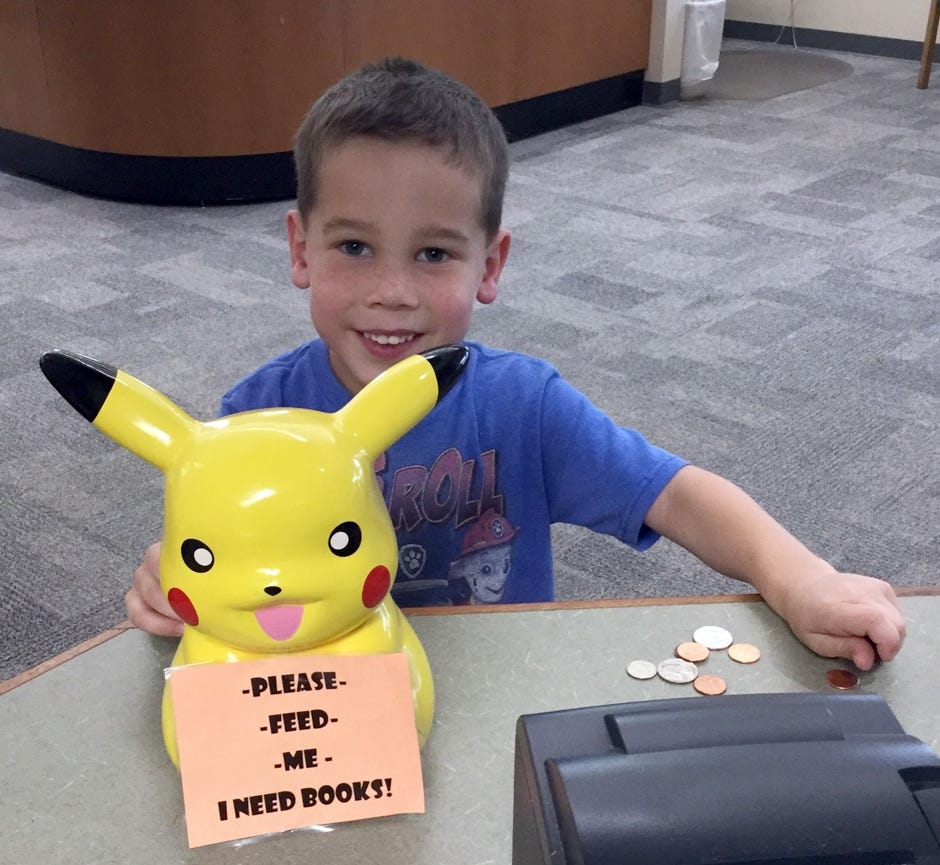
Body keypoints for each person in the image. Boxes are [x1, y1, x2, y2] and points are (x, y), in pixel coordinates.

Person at [126, 57, 904, 672]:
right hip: (332, 722)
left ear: (489, 265)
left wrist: (799, 576)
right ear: (301, 249)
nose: (392, 292)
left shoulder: (522, 405)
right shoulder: (249, 424)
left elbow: (675, 493)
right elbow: (208, 569)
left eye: (434, 253)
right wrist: (168, 583)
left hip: (500, 698)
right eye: (354, 246)